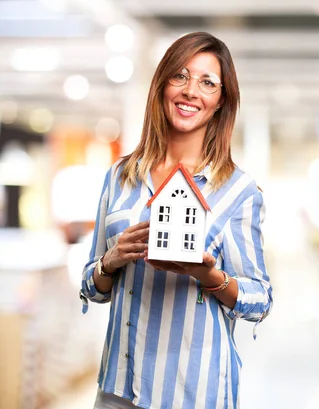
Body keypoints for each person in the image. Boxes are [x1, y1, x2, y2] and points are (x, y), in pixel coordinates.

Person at [79, 32, 273, 409]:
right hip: (117, 390)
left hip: (193, 392)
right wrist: (111, 261)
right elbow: (93, 286)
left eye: (207, 82)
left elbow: (260, 299)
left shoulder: (238, 192)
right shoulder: (120, 177)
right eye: (180, 76)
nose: (191, 91)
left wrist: (211, 277)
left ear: (221, 101)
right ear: (162, 85)